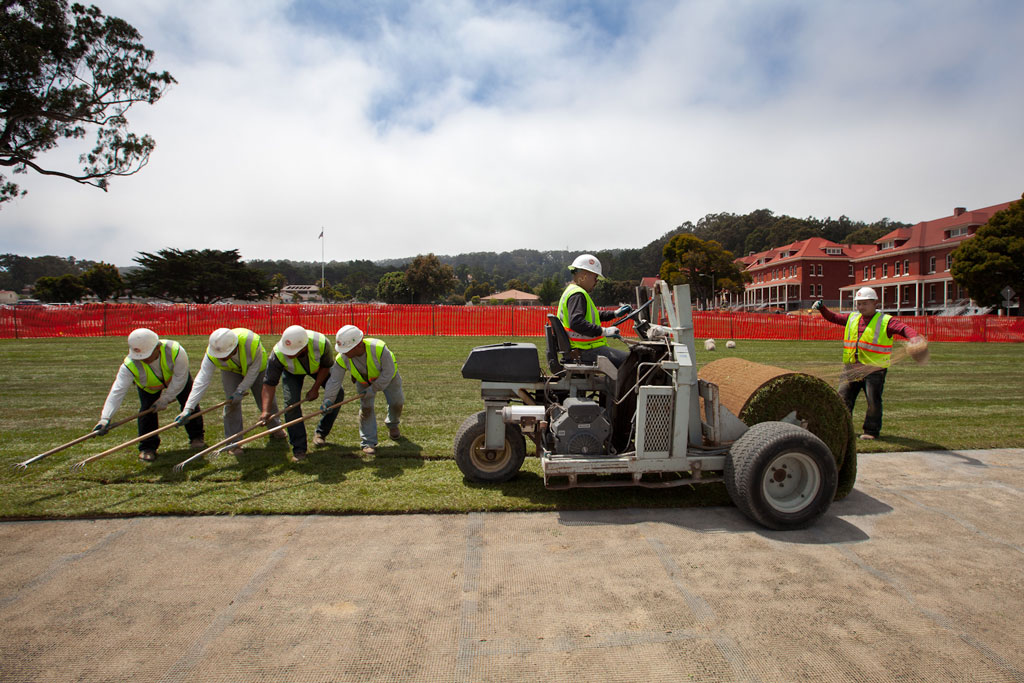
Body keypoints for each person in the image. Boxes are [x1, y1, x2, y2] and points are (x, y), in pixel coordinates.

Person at [813, 287, 925, 440]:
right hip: (851, 367)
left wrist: (915, 338)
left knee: (873, 402)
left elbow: (904, 328)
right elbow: (834, 318)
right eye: (858, 304)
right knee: (843, 399)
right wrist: (822, 308)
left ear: (875, 303)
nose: (861, 307)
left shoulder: (886, 321)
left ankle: (871, 431)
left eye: (864, 303)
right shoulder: (853, 318)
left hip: (874, 370)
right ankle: (842, 429)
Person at [93, 327, 205, 461]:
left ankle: (196, 437)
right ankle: (147, 447)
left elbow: (180, 378)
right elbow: (117, 391)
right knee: (147, 410)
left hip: (176, 379)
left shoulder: (175, 351)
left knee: (189, 402)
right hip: (149, 387)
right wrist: (105, 418)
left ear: (158, 347)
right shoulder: (129, 365)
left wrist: (166, 399)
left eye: (146, 355)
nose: (143, 359)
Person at [176, 327, 285, 456]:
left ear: (234, 348)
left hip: (257, 369)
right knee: (231, 404)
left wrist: (240, 390)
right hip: (231, 371)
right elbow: (202, 379)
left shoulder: (252, 343)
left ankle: (275, 427)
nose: (221, 358)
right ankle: (234, 443)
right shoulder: (213, 352)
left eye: (225, 355)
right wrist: (189, 408)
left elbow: (253, 372)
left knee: (266, 400)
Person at [321, 325, 404, 455]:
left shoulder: (379, 348)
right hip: (364, 382)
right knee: (366, 409)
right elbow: (334, 381)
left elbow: (388, 372)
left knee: (397, 403)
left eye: (347, 349)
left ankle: (393, 424)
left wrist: (374, 389)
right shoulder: (342, 357)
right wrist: (328, 400)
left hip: (389, 379)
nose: (344, 352)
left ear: (358, 345)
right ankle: (368, 442)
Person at [260, 324, 335, 462]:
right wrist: (266, 411)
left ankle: (321, 433)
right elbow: (269, 383)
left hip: (318, 369)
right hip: (291, 373)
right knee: (291, 406)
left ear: (304, 347)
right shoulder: (277, 354)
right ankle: (299, 449)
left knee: (337, 395)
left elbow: (326, 366)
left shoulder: (322, 343)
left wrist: (315, 388)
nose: (288, 354)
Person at [557, 253, 632, 368]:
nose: (596, 281)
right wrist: (604, 331)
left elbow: (593, 315)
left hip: (582, 349)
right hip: (586, 351)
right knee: (632, 362)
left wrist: (614, 314)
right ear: (585, 275)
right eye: (595, 277)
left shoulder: (573, 291)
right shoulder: (578, 295)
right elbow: (576, 323)